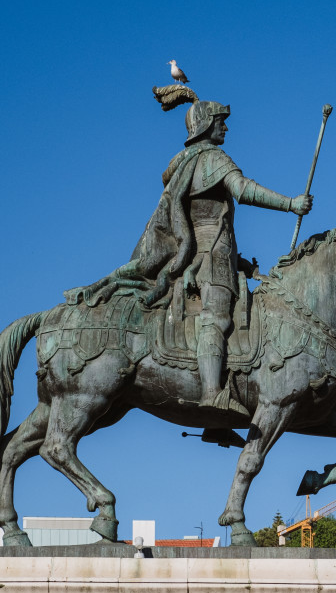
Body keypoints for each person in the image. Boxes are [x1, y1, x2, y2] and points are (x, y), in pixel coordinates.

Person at [111, 99, 312, 417]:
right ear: (206, 123)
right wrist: (291, 204)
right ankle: (211, 394)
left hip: (212, 254)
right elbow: (243, 190)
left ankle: (220, 412)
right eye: (221, 121)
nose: (226, 127)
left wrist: (240, 262)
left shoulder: (184, 162)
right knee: (216, 319)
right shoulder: (212, 158)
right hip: (211, 259)